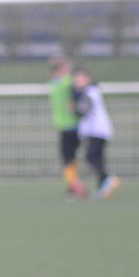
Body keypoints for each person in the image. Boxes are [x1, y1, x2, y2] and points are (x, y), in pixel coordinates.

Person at [72, 67, 119, 200]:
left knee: (91, 157)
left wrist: (74, 109)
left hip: (97, 130)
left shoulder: (89, 92)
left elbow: (85, 110)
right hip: (99, 130)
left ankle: (107, 178)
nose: (78, 82)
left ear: (88, 79)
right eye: (76, 79)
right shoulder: (92, 91)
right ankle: (102, 187)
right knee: (97, 158)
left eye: (81, 79)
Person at [48, 56, 86, 199]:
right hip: (73, 124)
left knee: (67, 159)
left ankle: (74, 187)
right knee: (71, 158)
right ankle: (73, 187)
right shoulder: (68, 82)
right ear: (61, 68)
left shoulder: (53, 84)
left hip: (65, 126)